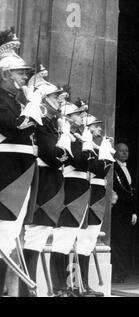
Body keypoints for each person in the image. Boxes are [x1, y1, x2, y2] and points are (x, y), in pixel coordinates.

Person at [19, 68, 68, 297]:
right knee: (35, 236)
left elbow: (58, 156)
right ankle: (26, 290)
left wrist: (60, 151)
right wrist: (62, 149)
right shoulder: (43, 123)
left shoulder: (51, 124)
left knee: (38, 238)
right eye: (54, 97)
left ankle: (29, 289)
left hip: (51, 182)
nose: (58, 100)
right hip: (44, 182)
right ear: (44, 100)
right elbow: (51, 155)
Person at [0, 28, 42, 297]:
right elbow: (15, 127)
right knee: (3, 234)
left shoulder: (15, 100)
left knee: (8, 235)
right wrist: (33, 103)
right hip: (6, 175)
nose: (25, 76)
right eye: (19, 72)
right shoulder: (3, 99)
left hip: (19, 173)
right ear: (5, 74)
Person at [49, 100, 91, 297]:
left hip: (81, 191)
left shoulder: (78, 137)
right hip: (69, 190)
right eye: (77, 114)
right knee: (62, 241)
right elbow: (81, 163)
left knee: (69, 241)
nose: (81, 117)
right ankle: (58, 286)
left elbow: (93, 166)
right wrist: (86, 147)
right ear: (67, 117)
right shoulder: (69, 138)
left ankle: (67, 286)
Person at [76, 114, 115, 296]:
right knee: (84, 239)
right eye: (95, 126)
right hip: (90, 193)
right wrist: (105, 153)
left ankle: (84, 284)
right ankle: (79, 285)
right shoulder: (86, 146)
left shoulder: (95, 146)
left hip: (98, 193)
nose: (99, 129)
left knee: (90, 240)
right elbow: (99, 169)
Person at [111, 143, 137, 283]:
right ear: (115, 152)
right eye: (121, 151)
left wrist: (134, 211)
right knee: (117, 243)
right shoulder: (112, 167)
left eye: (126, 150)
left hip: (126, 212)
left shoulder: (129, 168)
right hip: (116, 211)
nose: (124, 153)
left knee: (124, 243)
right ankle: (117, 273)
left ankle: (122, 272)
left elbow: (132, 191)